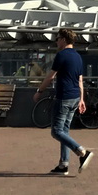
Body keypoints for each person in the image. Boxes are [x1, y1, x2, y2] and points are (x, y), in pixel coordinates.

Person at [33, 28, 94, 175]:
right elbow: (80, 79)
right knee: (64, 132)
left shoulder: (61, 55)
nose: (56, 41)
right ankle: (63, 165)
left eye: (58, 38)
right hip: (74, 98)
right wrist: (82, 99)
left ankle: (82, 152)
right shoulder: (78, 57)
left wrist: (39, 91)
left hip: (64, 97)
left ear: (64, 40)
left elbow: (50, 76)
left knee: (56, 132)